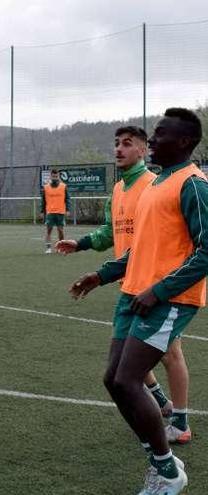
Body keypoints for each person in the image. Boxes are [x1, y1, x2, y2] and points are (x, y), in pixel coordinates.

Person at [69, 108, 207, 494]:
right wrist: (101, 275)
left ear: (183, 142)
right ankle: (164, 462)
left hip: (168, 299)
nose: (154, 140)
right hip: (134, 293)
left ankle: (166, 472)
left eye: (161, 135)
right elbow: (141, 249)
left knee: (129, 380)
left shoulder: (192, 185)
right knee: (114, 380)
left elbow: (207, 250)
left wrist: (159, 290)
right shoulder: (156, 185)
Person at [56, 126, 191, 443]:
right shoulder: (118, 189)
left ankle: (181, 422)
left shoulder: (154, 185)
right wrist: (83, 244)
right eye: (116, 144)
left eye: (127, 144)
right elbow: (111, 233)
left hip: (158, 284)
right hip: (129, 278)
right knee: (133, 352)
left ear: (144, 150)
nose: (118, 149)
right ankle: (162, 404)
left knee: (170, 353)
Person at [41, 169, 70, 254]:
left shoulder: (63, 186)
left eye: (56, 176)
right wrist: (42, 211)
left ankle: (61, 247)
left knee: (60, 230)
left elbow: (67, 199)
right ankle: (48, 248)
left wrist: (68, 209)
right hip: (50, 212)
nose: (55, 178)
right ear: (51, 176)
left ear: (58, 177)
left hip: (60, 212)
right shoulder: (46, 187)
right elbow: (43, 200)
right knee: (49, 230)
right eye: (53, 176)